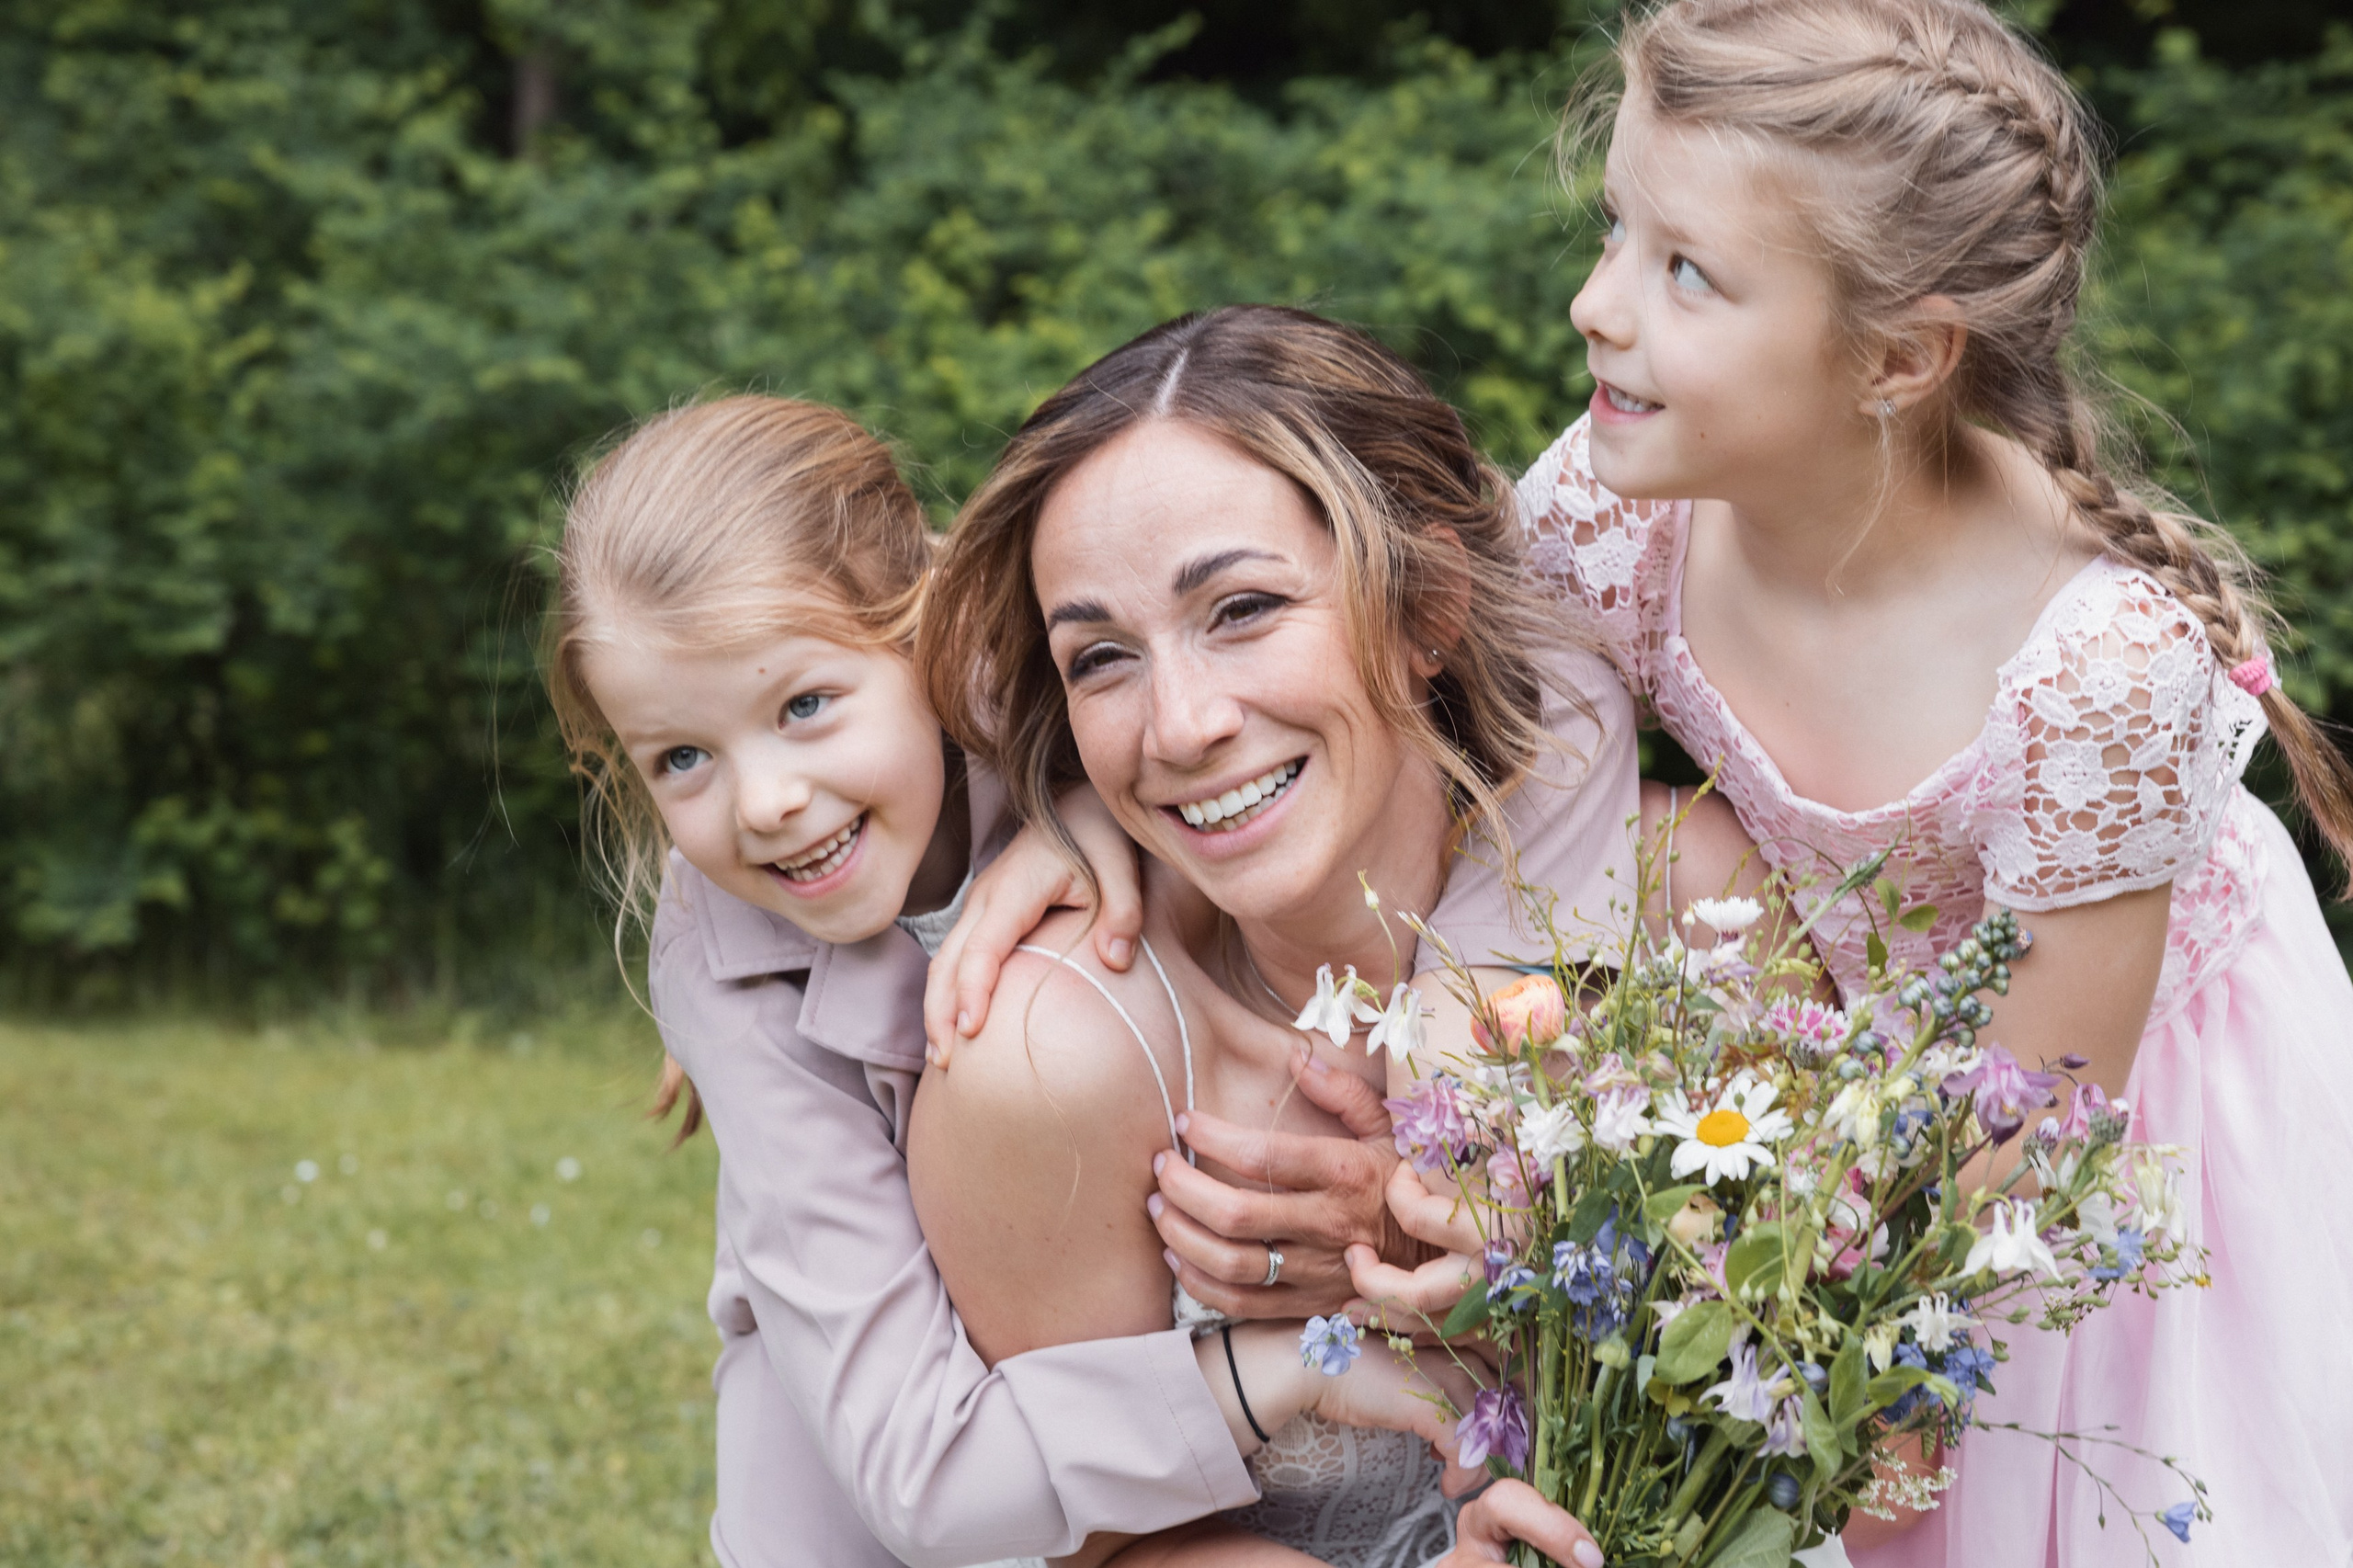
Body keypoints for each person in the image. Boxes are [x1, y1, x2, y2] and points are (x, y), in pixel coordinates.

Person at [1507, 0, 2353, 1562]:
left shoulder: (2096, 668)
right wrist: (1063, 837)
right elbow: (1413, 748)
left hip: (2090, 1129)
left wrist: (1815, 1427)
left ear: (1897, 357)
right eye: (1617, 229)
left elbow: (2030, 1130)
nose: (1593, 305)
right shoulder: (1613, 521)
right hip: (1844, 1078)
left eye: (1683, 269)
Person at [542, 394, 1483, 1568]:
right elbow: (927, 1482)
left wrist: (1084, 806)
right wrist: (1280, 1367)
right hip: (892, 1404)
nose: (764, 800)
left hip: (1095, 1301)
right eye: (680, 756)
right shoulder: (722, 962)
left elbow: (1541, 626)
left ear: (922, 636)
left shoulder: (1054, 686)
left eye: (803, 706)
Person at [907, 305, 1750, 1565]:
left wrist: (1501, 1260)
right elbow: (1087, 1547)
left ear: (1428, 611)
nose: (1181, 725)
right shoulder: (1050, 1055)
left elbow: (1854, 1380)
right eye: (1101, 659)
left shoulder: (1691, 902)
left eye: (1242, 608)